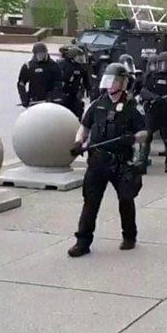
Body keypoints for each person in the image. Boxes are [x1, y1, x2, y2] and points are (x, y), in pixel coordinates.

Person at [67, 63, 147, 257]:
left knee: (126, 199)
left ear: (123, 83)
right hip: (97, 161)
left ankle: (129, 235)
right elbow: (84, 126)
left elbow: (145, 132)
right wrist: (79, 142)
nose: (110, 85)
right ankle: (82, 242)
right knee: (90, 202)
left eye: (114, 81)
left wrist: (134, 138)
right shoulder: (98, 104)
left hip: (120, 161)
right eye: (108, 80)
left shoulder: (132, 107)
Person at [137, 51, 167, 173]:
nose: (165, 66)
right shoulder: (151, 76)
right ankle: (142, 161)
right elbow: (143, 91)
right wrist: (153, 97)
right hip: (153, 111)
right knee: (146, 137)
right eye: (162, 63)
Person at [17, 42, 63, 106]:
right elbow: (21, 84)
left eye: (44, 53)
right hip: (34, 99)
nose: (42, 56)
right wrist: (24, 98)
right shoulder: (28, 66)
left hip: (49, 100)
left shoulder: (53, 65)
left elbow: (58, 82)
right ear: (35, 54)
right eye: (40, 54)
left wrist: (53, 95)